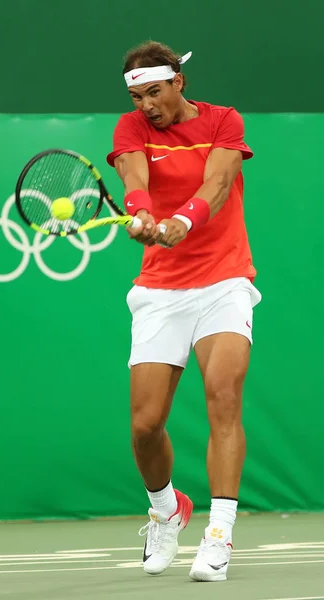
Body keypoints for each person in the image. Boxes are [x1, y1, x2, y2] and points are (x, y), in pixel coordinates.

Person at [106, 40, 262, 583]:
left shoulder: (223, 121)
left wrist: (182, 223)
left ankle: (219, 534)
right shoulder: (131, 129)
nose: (146, 105)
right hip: (161, 292)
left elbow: (217, 184)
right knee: (146, 427)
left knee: (223, 396)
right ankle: (167, 507)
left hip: (224, 281)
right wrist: (142, 216)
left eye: (154, 92)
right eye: (136, 96)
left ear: (178, 83)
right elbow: (134, 183)